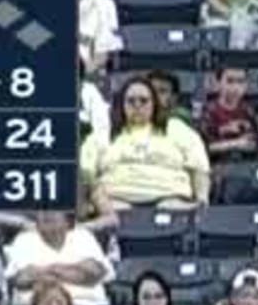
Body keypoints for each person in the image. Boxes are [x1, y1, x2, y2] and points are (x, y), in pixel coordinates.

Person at [86, 77, 210, 216]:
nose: (137, 105)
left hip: (170, 198)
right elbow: (86, 171)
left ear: (154, 104)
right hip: (115, 200)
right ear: (122, 104)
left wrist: (202, 199)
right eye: (131, 101)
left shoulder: (176, 128)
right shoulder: (104, 133)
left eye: (143, 100)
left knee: (172, 209)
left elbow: (199, 166)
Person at [2, 209, 112, 305]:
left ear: (67, 220)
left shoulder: (83, 236)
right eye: (42, 210)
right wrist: (76, 270)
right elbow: (21, 279)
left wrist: (46, 271)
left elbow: (95, 272)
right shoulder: (24, 239)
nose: (47, 214)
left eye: (54, 210)